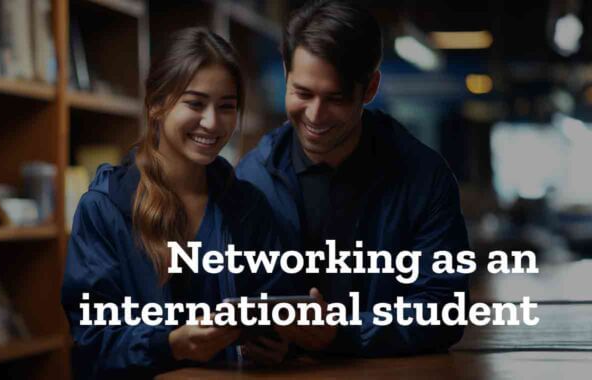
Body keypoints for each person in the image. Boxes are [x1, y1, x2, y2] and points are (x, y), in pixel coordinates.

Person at [235, 0, 470, 357]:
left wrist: (340, 333)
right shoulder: (252, 178)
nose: (315, 115)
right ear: (286, 73)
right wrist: (251, 338)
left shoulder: (424, 177)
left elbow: (442, 311)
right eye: (302, 93)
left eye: (336, 98)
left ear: (370, 88)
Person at [61, 28, 300, 378]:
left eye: (226, 107)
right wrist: (169, 344)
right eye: (195, 103)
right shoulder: (104, 207)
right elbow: (91, 344)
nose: (212, 122)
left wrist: (281, 344)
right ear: (157, 104)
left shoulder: (247, 206)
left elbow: (275, 304)